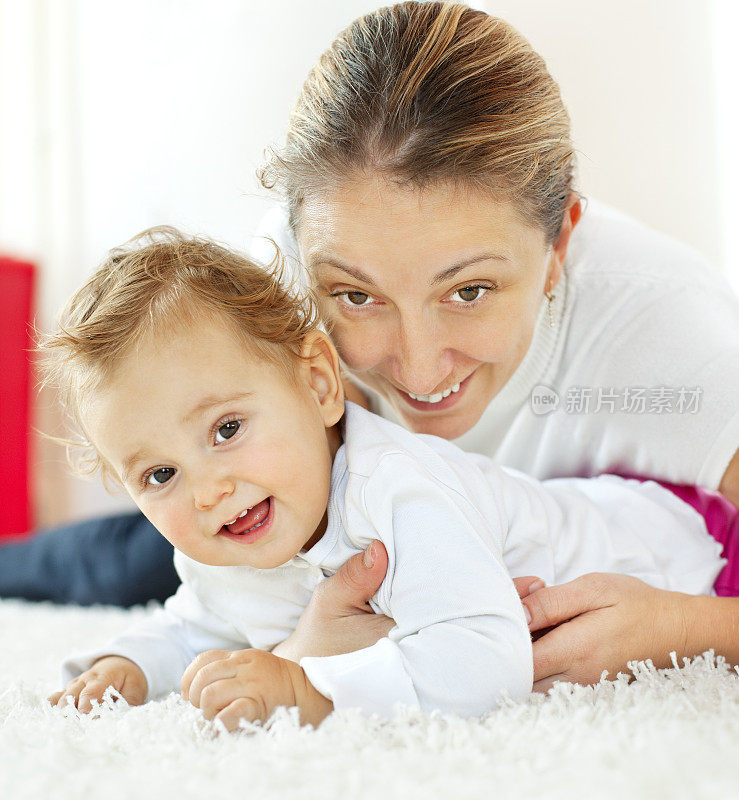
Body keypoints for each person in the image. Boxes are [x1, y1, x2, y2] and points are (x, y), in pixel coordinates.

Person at [4, 1, 739, 690]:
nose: (417, 372)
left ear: (558, 244)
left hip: (569, 526)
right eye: (357, 296)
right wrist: (301, 646)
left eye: (470, 291)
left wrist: (684, 625)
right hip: (303, 518)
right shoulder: (282, 280)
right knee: (145, 560)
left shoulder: (673, 340)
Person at [47, 230, 727, 728]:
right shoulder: (222, 538)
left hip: (693, 550)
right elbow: (197, 628)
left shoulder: (397, 490)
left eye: (227, 430)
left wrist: (306, 688)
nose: (207, 490)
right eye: (160, 473)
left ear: (318, 385)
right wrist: (128, 666)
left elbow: (482, 664)